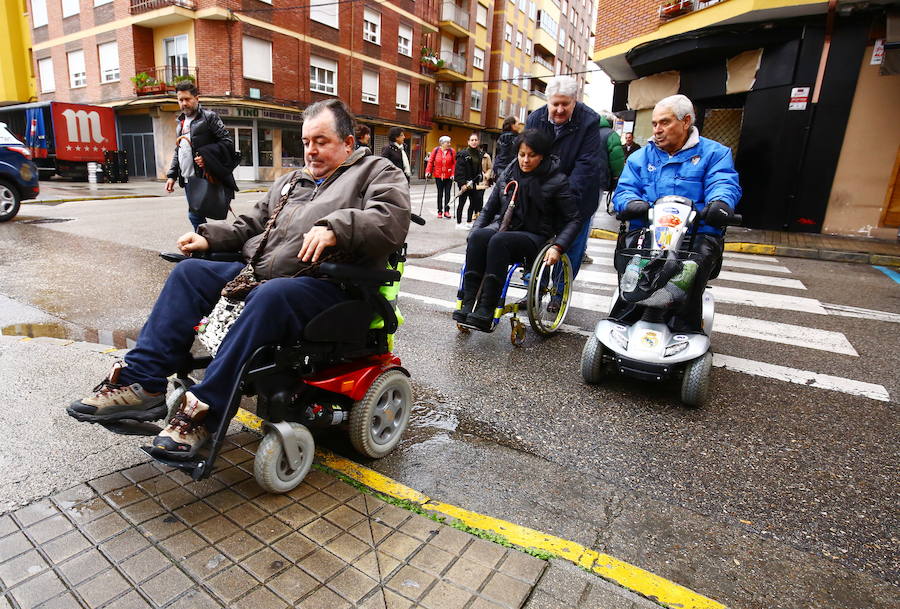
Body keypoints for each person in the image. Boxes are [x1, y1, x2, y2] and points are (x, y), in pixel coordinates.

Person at [68, 99, 411, 459]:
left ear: (348, 142)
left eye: (321, 141)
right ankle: (143, 384)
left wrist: (335, 228)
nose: (311, 150)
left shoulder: (377, 172)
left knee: (272, 295)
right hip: (265, 276)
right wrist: (209, 237)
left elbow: (390, 220)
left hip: (331, 286)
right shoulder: (293, 181)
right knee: (190, 273)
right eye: (307, 141)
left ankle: (204, 413)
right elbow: (251, 223)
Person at [612, 94, 741, 332]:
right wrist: (630, 202)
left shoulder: (715, 153)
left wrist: (720, 203)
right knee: (631, 264)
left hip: (697, 232)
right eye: (654, 124)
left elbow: (724, 183)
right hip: (649, 230)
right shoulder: (640, 157)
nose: (657, 130)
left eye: (665, 122)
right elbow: (625, 190)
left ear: (686, 121)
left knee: (693, 267)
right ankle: (624, 321)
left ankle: (685, 328)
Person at [454, 129, 580, 331]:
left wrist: (558, 247)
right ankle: (468, 304)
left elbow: (574, 219)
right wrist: (473, 232)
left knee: (499, 241)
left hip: (536, 235)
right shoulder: (509, 173)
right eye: (522, 154)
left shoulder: (557, 180)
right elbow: (489, 209)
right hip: (505, 225)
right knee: (479, 237)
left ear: (543, 155)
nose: (526, 160)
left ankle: (486, 308)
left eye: (532, 155)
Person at [525, 76, 605, 290]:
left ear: (575, 101)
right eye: (555, 104)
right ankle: (535, 289)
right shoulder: (536, 119)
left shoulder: (589, 120)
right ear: (548, 101)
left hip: (578, 196)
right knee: (537, 241)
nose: (559, 109)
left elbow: (586, 164)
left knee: (571, 246)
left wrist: (564, 198)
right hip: (543, 193)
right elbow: (529, 157)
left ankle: (559, 293)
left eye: (565, 104)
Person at [165, 82, 238, 231]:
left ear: (196, 98)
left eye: (187, 99)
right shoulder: (180, 123)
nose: (184, 103)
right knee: (199, 215)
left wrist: (206, 155)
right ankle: (206, 244)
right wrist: (172, 175)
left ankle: (205, 245)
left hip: (203, 177)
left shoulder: (209, 118)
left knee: (196, 215)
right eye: (180, 100)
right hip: (187, 179)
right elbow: (178, 150)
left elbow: (227, 142)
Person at [454, 132, 484, 229]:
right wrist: (462, 184)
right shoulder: (463, 154)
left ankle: (469, 221)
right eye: (472, 140)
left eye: (476, 140)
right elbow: (459, 171)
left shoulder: (479, 154)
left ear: (478, 142)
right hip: (465, 182)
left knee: (473, 202)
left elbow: (479, 168)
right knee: (462, 202)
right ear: (468, 142)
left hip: (474, 183)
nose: (474, 142)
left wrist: (480, 177)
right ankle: (458, 223)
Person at [425, 136, 455, 219]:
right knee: (440, 194)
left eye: (449, 142)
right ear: (442, 143)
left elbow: (454, 163)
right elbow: (430, 161)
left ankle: (446, 211)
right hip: (438, 175)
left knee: (447, 194)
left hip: (449, 176)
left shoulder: (452, 151)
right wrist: (428, 172)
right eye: (447, 142)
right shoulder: (436, 150)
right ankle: (439, 211)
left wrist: (453, 173)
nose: (449, 144)